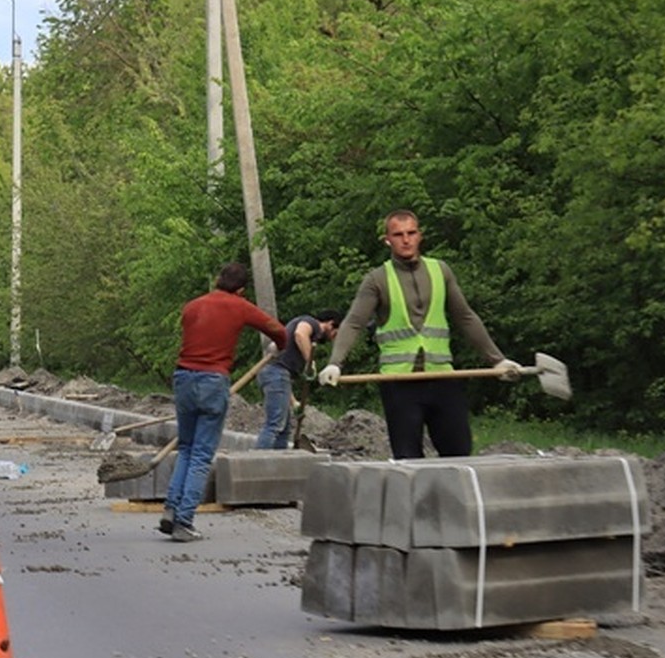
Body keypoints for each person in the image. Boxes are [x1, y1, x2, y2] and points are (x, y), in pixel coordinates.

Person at [318, 209, 520, 459]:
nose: (406, 239)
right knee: (408, 458)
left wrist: (497, 360)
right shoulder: (377, 279)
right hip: (399, 383)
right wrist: (335, 363)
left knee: (459, 453)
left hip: (442, 378)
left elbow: (465, 317)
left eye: (411, 233)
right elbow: (354, 322)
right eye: (398, 234)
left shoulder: (440, 271)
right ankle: (416, 499)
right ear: (387, 240)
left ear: (420, 235)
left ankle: (454, 498)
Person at [162, 263, 288, 541]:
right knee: (201, 455)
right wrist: (280, 347)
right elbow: (278, 330)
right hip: (212, 381)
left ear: (218, 280)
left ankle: (171, 509)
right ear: (241, 290)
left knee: (185, 447)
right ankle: (184, 521)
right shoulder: (239, 306)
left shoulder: (192, 306)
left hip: (183, 377)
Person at [255, 310, 341, 449]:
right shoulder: (311, 322)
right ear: (331, 324)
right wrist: (310, 362)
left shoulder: (306, 330)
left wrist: (294, 402)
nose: (332, 338)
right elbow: (300, 334)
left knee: (284, 429)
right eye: (335, 333)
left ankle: (279, 463)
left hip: (276, 375)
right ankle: (255, 463)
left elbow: (284, 381)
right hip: (275, 374)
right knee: (274, 425)